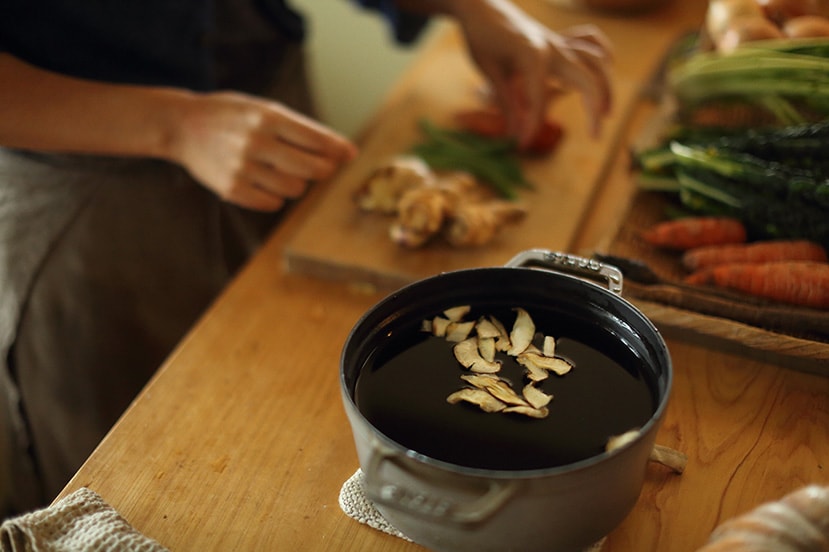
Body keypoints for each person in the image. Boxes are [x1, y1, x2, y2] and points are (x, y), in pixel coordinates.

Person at [0, 0, 612, 514]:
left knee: (293, 452)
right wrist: (175, 125)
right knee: (133, 486)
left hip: (273, 116)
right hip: (88, 190)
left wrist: (474, 6)